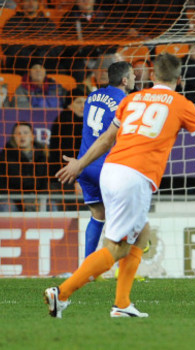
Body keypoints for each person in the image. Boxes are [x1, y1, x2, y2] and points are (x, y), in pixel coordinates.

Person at [46, 53, 195, 319]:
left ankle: (122, 304)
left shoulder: (131, 99)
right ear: (180, 80)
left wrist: (80, 164)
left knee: (142, 234)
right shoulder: (181, 103)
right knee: (116, 247)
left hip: (111, 170)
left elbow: (107, 139)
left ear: (151, 76)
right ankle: (62, 293)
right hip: (134, 177)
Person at [77, 62, 135, 258]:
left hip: (84, 164)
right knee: (127, 216)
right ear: (125, 80)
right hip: (106, 167)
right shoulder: (127, 102)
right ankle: (125, 268)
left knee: (98, 215)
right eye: (133, 74)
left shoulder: (92, 96)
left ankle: (87, 268)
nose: (135, 78)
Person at [0, 121, 49, 211]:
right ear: (13, 137)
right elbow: (0, 187)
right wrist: (22, 200)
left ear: (32, 136)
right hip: (13, 200)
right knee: (5, 205)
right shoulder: (3, 158)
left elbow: (46, 184)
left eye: (25, 133)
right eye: (18, 133)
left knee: (51, 205)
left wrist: (36, 199)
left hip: (36, 199)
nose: (22, 136)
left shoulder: (43, 157)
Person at [2, 0, 56, 72]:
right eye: (27, 0)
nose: (31, 3)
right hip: (19, 63)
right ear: (22, 3)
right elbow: (7, 47)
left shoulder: (48, 23)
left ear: (39, 3)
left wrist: (42, 55)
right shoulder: (12, 22)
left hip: (44, 62)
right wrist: (27, 55)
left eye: (34, 0)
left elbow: (56, 46)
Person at [48, 86, 87, 197]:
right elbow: (68, 153)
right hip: (67, 178)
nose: (83, 106)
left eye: (85, 102)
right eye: (79, 102)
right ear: (70, 104)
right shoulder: (65, 121)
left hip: (73, 176)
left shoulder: (84, 121)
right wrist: (77, 179)